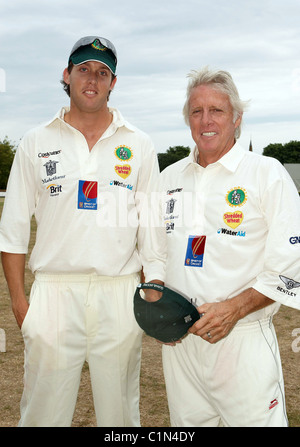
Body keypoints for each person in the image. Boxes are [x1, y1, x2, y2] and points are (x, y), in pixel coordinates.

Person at [0, 35, 159, 427]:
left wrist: (153, 282)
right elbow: (13, 228)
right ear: (67, 76)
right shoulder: (36, 142)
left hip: (119, 292)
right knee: (42, 415)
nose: (93, 78)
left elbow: (152, 225)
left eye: (103, 72)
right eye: (84, 69)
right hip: (53, 293)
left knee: (119, 415)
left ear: (113, 83)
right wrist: (22, 305)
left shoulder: (139, 144)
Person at [142, 67, 300, 427]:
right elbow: (153, 254)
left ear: (237, 117)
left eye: (217, 110)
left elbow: (289, 262)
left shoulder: (266, 173)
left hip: (242, 341)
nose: (206, 120)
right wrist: (160, 308)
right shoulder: (169, 178)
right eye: (196, 111)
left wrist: (234, 308)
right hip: (182, 345)